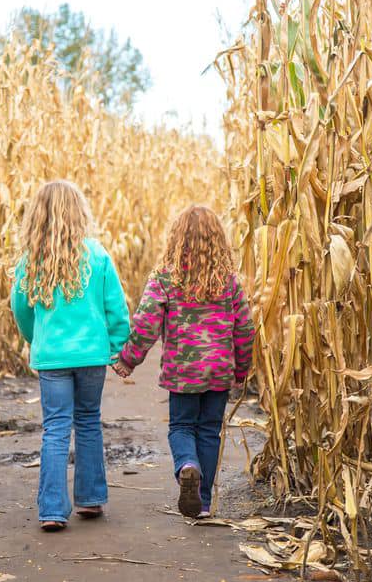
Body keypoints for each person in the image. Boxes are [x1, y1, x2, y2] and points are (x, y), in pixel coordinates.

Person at [113, 205, 255, 518]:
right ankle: (202, 503)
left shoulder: (165, 277)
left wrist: (128, 359)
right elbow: (245, 327)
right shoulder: (229, 281)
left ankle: (187, 466)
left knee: (181, 427)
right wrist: (242, 368)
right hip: (219, 371)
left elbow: (146, 322)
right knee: (208, 431)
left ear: (177, 239)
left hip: (183, 371)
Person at [11, 180, 129, 532]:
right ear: (79, 212)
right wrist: (116, 347)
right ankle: (91, 498)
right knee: (89, 420)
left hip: (53, 359)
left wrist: (37, 339)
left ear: (38, 215)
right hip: (92, 355)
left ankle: (51, 509)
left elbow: (21, 308)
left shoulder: (32, 259)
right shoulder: (97, 254)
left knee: (56, 428)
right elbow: (116, 308)